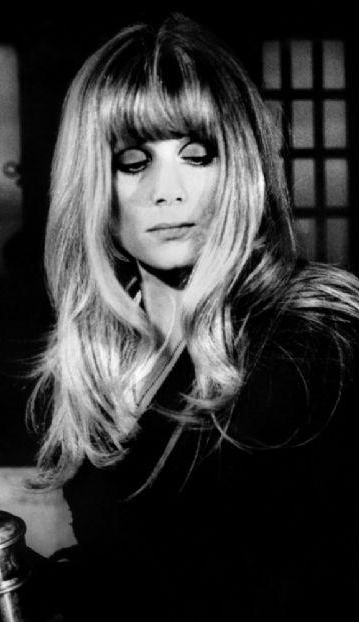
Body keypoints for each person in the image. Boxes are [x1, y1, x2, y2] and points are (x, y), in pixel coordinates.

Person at [26, 13, 359, 621]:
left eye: (197, 155)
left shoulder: (311, 343)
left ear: (239, 169)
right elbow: (141, 569)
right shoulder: (104, 357)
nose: (168, 190)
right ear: (92, 186)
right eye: (133, 162)